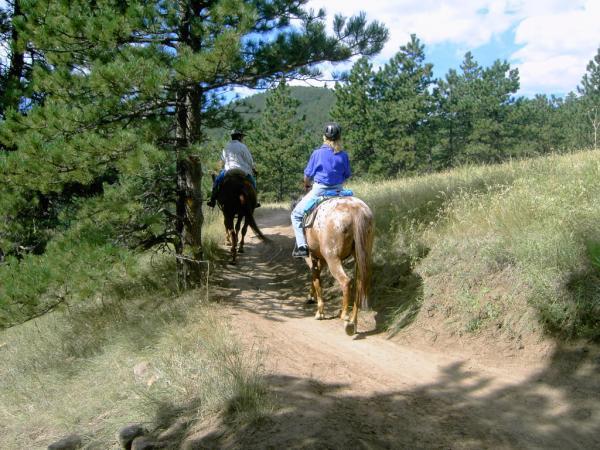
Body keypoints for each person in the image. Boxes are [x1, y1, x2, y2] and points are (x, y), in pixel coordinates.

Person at [290, 122, 351, 258]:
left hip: (319, 191)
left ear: (324, 137)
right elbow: (347, 175)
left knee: (296, 215)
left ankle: (302, 247)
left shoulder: (317, 153)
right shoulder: (343, 155)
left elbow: (307, 176)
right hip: (339, 191)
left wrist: (306, 184)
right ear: (339, 138)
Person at [207, 129, 259, 208]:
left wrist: (218, 169)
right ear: (239, 137)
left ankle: (212, 200)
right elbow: (249, 160)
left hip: (228, 171)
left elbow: (222, 160)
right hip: (242, 171)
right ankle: (255, 201)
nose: (242, 138)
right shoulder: (243, 146)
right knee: (253, 182)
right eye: (242, 137)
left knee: (217, 181)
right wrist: (254, 169)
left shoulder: (226, 146)